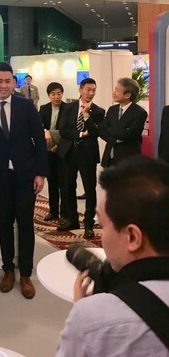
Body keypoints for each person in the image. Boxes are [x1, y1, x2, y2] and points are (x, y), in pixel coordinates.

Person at [49, 157, 169, 357]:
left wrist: (85, 312)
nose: (101, 236)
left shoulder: (92, 319)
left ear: (132, 237)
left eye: (103, 226)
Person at [0, 62, 48, 299]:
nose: (3, 85)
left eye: (8, 81)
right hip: (0, 176)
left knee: (25, 224)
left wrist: (41, 173)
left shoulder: (26, 105)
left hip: (26, 175)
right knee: (4, 222)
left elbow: (39, 140)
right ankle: (8, 270)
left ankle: (25, 274)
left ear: (14, 82)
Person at [57, 78, 105, 239]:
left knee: (89, 189)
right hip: (69, 152)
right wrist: (80, 134)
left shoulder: (98, 111)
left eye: (93, 90)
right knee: (68, 186)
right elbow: (63, 129)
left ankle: (89, 223)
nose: (91, 93)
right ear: (80, 90)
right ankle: (72, 219)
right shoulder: (68, 107)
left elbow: (96, 132)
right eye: (88, 90)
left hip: (88, 154)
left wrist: (86, 116)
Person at [100, 77, 147, 168]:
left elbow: (127, 135)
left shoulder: (139, 113)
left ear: (127, 95)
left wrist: (109, 129)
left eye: (117, 90)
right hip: (109, 158)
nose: (114, 93)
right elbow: (102, 131)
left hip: (128, 159)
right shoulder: (112, 109)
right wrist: (115, 140)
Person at [39, 83, 67, 222]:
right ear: (49, 95)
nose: (56, 97)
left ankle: (65, 212)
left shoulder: (68, 108)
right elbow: (39, 126)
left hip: (63, 150)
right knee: (52, 181)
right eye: (53, 94)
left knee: (64, 182)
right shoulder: (44, 108)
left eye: (59, 93)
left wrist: (58, 144)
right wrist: (45, 131)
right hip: (48, 149)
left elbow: (68, 130)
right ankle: (53, 211)